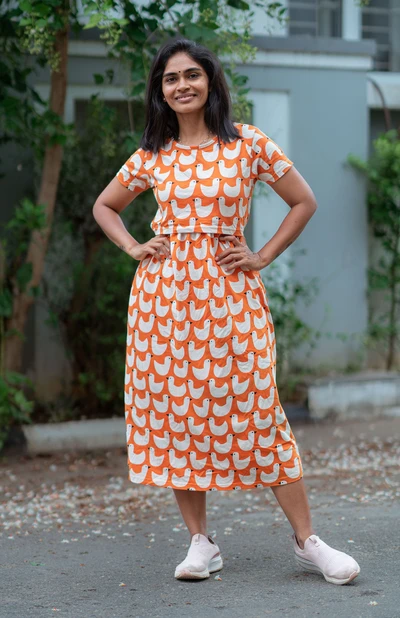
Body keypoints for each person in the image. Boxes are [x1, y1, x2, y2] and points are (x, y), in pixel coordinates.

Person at [93, 38, 360, 585]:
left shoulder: (247, 143)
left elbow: (304, 200)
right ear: (160, 91)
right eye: (171, 78)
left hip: (230, 294)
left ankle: (308, 541)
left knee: (259, 407)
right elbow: (105, 205)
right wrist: (133, 247)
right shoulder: (153, 154)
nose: (182, 85)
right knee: (178, 414)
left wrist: (262, 255)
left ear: (210, 81)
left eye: (192, 75)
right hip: (163, 300)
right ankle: (200, 542)